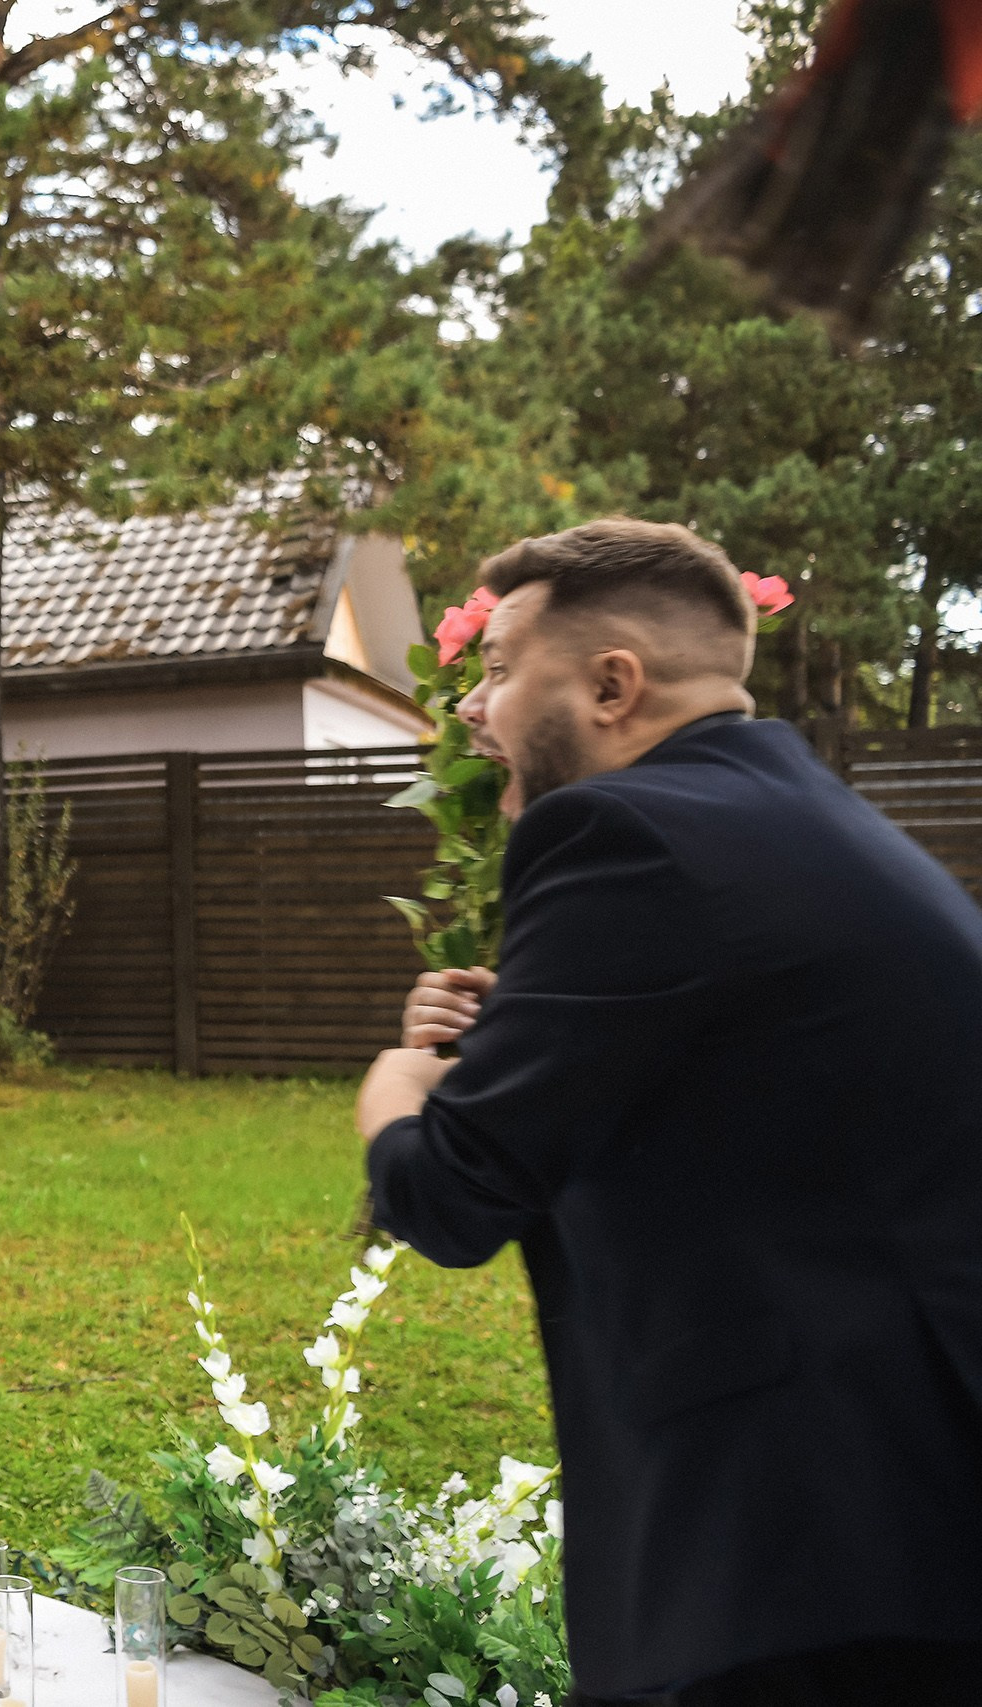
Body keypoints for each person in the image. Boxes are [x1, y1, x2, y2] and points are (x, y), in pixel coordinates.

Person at [356, 519, 982, 1706]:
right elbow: (739, 1104)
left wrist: (394, 1096)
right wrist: (515, 1039)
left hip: (817, 1549)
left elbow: (453, 1193)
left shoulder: (623, 831)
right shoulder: (785, 819)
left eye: (499, 670)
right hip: (909, 1509)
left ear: (611, 685)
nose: (471, 711)